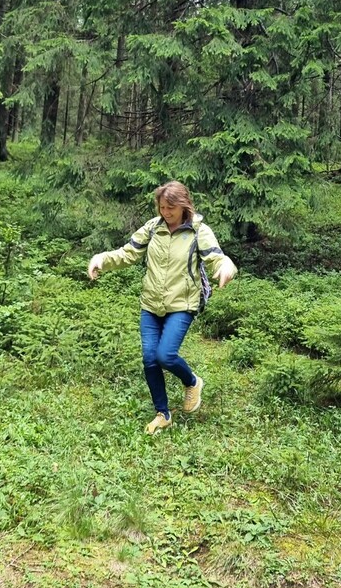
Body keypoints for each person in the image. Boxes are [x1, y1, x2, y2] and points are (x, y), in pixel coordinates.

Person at [88, 181, 237, 434]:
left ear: (183, 206)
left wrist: (225, 268)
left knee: (165, 355)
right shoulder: (153, 228)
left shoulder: (198, 231)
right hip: (150, 304)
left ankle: (192, 382)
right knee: (150, 360)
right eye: (162, 207)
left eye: (171, 208)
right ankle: (163, 414)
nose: (166, 212)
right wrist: (101, 259)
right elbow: (128, 253)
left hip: (182, 305)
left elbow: (217, 257)